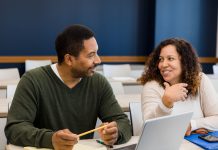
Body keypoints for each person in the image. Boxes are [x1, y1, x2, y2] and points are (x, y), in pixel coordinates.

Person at [5, 24, 131, 149]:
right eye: (91, 55)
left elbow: (123, 122)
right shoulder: (32, 80)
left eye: (97, 53)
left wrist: (116, 133)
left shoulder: (98, 82)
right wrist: (50, 139)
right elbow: (14, 128)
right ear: (69, 59)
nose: (98, 60)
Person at [139, 38, 218, 136]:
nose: (163, 64)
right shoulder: (151, 86)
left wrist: (192, 125)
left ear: (184, 62)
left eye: (170, 58)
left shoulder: (201, 80)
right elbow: (150, 130)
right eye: (161, 59)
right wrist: (166, 102)